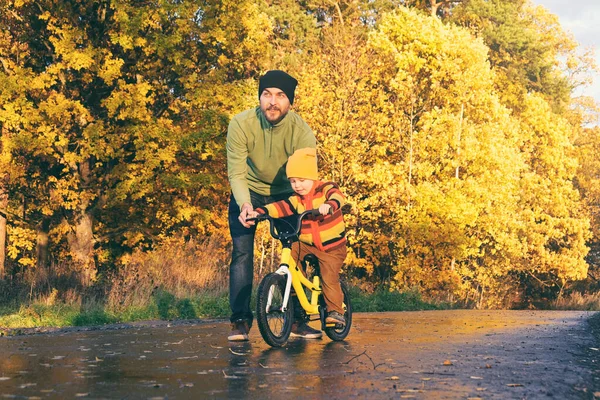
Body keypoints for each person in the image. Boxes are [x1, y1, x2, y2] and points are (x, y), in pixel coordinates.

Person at [226, 70, 318, 341]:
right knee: (242, 253)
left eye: (280, 96)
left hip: (287, 194)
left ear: (290, 102)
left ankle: (297, 321)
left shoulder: (302, 133)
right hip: (248, 192)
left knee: (296, 252)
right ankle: (240, 322)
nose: (273, 101)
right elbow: (236, 173)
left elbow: (307, 179)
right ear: (259, 97)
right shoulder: (240, 124)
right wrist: (244, 205)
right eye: (267, 94)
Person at [250, 147, 347, 328]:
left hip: (332, 247)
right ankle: (295, 294)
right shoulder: (296, 199)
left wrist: (330, 205)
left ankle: (336, 312)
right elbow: (281, 207)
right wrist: (261, 211)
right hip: (307, 244)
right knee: (291, 253)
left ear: (312, 177)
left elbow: (337, 196)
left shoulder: (325, 188)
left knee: (328, 277)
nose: (297, 185)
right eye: (293, 181)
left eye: (302, 180)